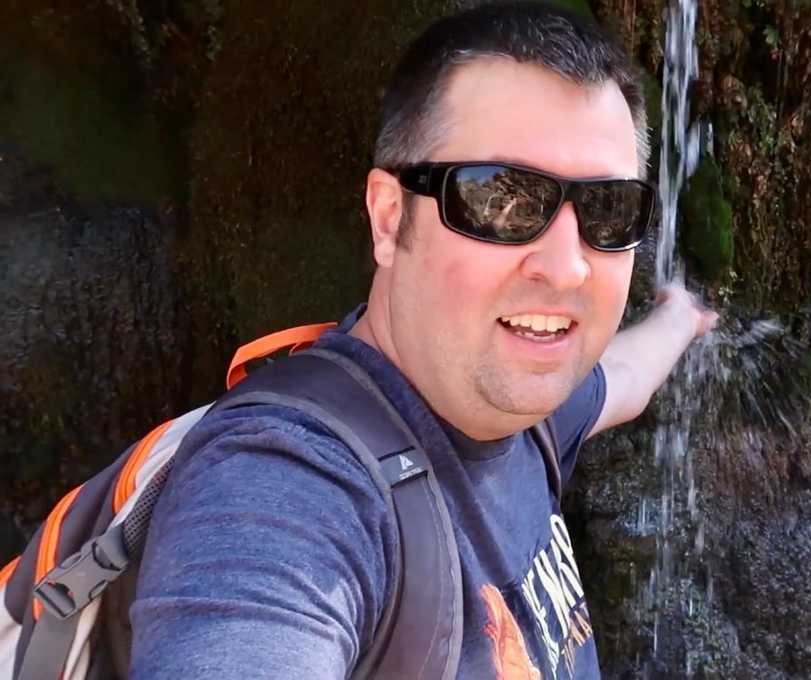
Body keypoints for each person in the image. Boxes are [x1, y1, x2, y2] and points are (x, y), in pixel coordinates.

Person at [128, 2, 717, 678]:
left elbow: (622, 378)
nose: (568, 267)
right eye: (502, 201)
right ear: (388, 218)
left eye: (609, 210)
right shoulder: (282, 485)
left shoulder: (528, 414)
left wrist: (680, 318)